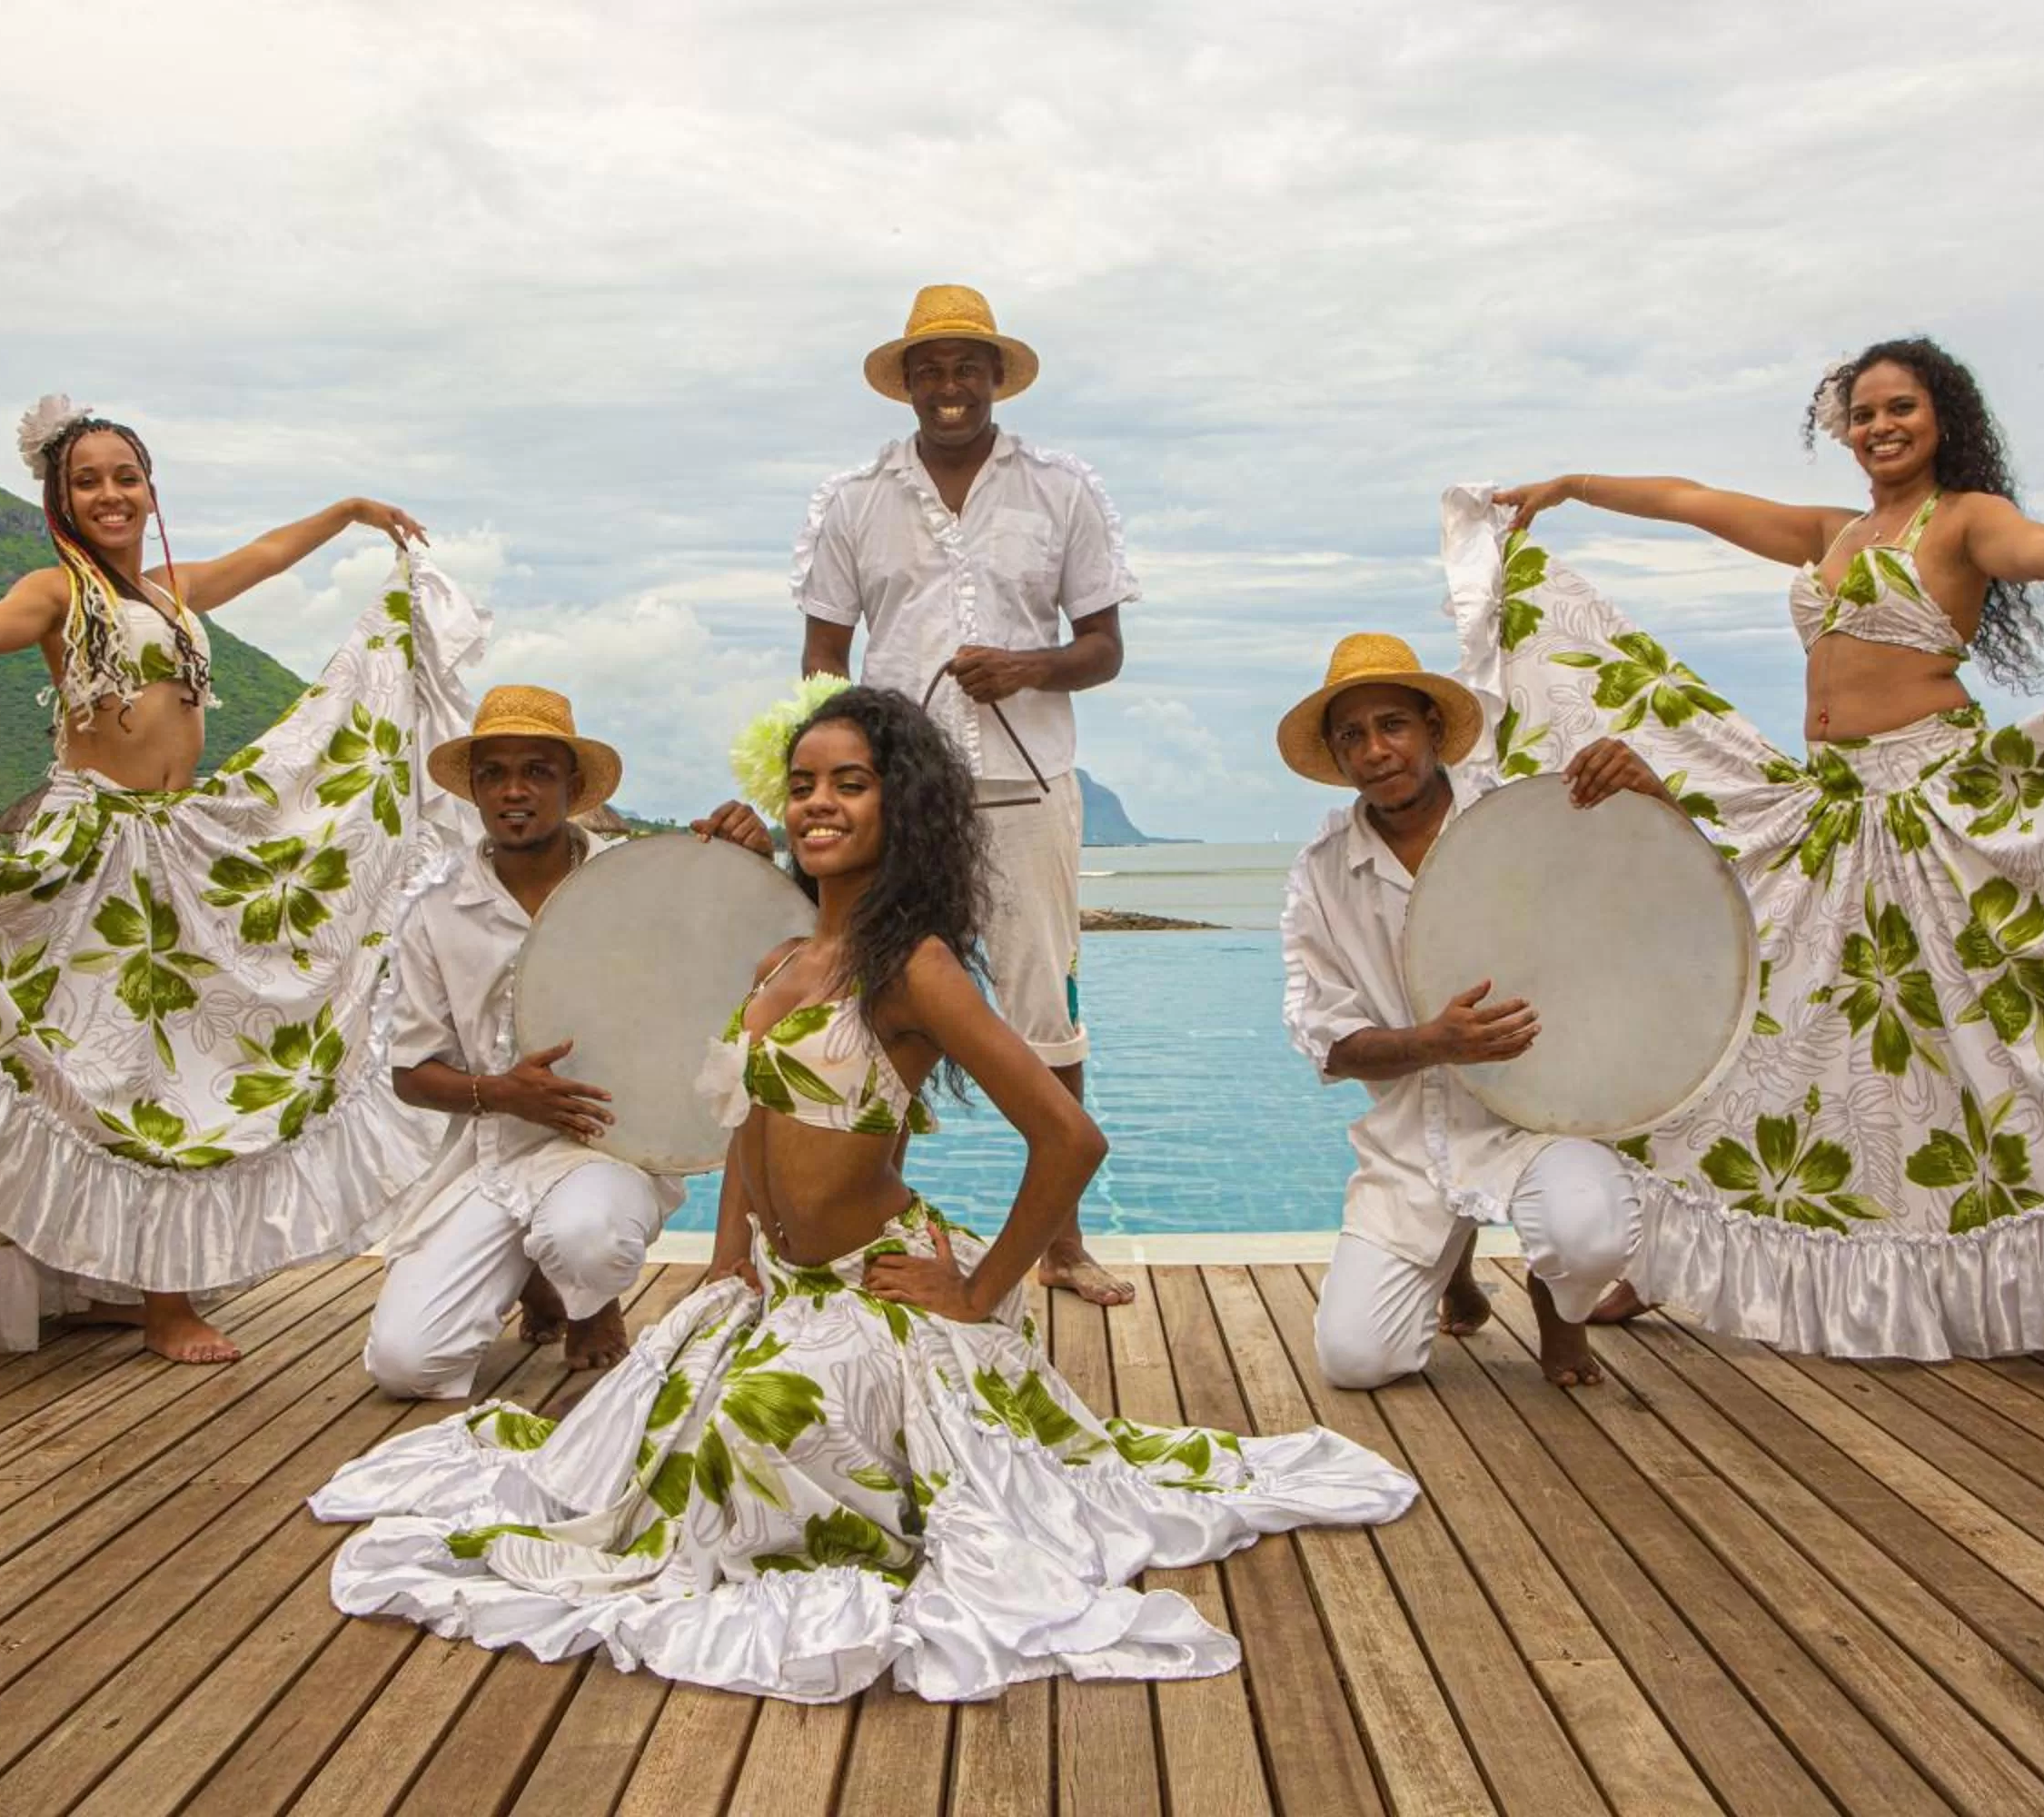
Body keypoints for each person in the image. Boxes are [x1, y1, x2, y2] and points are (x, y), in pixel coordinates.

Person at [311, 686, 1416, 1703]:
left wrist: (981, 1289)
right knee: (619, 1455)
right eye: (803, 783)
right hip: (775, 1286)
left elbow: (1071, 1136)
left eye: (851, 781)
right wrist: (727, 1255)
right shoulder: (783, 959)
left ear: (904, 804)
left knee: (743, 1439)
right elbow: (748, 1119)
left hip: (879, 1286)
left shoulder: (914, 965)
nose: (819, 803)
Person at [1473, 334, 2044, 1359]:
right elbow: (1692, 498)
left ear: (1941, 417)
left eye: (1900, 408)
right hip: (1829, 809)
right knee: (1751, 1024)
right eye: (1861, 414)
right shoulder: (1832, 530)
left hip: (1931, 805)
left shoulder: (1967, 521)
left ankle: (2014, 1274)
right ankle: (1665, 1250)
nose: (1880, 427)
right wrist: (1577, 485)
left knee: (1966, 1049)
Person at [0, 394, 481, 1364]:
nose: (110, 492)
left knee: (166, 1061)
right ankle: (164, 1303)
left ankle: (103, 1279)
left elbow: (266, 554)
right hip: (99, 853)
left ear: (150, 489)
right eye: (86, 480)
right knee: (127, 1071)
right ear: (60, 500)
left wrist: (349, 510)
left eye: (125, 476)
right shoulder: (58, 590)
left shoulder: (173, 594)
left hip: (179, 843)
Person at [792, 283, 1138, 1306]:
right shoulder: (853, 501)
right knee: (873, 999)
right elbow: (822, 657)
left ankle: (1065, 1244)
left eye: (966, 366)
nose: (949, 385)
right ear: (906, 384)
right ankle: (860, 1216)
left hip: (1027, 791)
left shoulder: (1063, 488)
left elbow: (1107, 648)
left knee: (1045, 1006)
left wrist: (1031, 666)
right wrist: (828, 772)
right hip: (893, 796)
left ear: (996, 375)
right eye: (929, 368)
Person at [1278, 634, 1664, 1388]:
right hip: (1408, 1143)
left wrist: (1653, 798)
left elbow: (1649, 897)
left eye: (1392, 724)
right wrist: (1432, 1043)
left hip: (1541, 1120)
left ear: (1430, 727)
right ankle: (1452, 1268)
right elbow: (1321, 1037)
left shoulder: (1527, 819)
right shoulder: (1321, 874)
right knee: (1356, 1363)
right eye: (1351, 735)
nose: (1375, 750)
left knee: (1590, 1239)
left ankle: (1560, 1311)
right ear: (1335, 754)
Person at [363, 683, 773, 1394]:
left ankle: (589, 1298)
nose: (513, 791)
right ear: (476, 789)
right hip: (492, 1159)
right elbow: (410, 1073)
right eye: (494, 773)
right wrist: (503, 1094)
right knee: (406, 1364)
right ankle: (537, 1280)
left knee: (589, 1238)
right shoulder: (437, 909)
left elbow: (740, 946)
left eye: (537, 771)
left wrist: (750, 863)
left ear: (573, 785)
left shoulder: (639, 878)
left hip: (610, 1148)